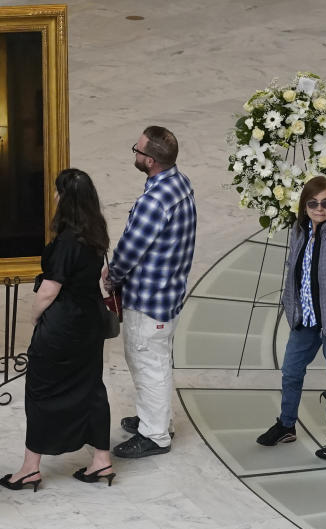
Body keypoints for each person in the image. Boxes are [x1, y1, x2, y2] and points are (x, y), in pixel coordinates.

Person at [0, 169, 115, 492]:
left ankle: (30, 468)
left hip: (62, 326)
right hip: (89, 325)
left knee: (39, 392)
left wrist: (35, 317)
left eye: (56, 192)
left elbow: (49, 291)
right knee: (92, 388)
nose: (53, 197)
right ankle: (101, 460)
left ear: (65, 199)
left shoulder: (66, 240)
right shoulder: (97, 233)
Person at [256, 176, 326, 459]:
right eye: (313, 203)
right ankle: (286, 424)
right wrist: (289, 303)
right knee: (291, 371)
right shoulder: (298, 230)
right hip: (305, 319)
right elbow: (294, 271)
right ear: (304, 205)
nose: (320, 208)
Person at [104, 126, 197, 459]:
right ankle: (155, 418)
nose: (136, 153)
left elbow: (130, 250)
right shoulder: (179, 183)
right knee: (156, 360)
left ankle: (155, 435)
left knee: (147, 362)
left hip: (148, 299)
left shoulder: (154, 201)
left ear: (151, 160)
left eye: (138, 150)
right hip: (168, 292)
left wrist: (111, 278)